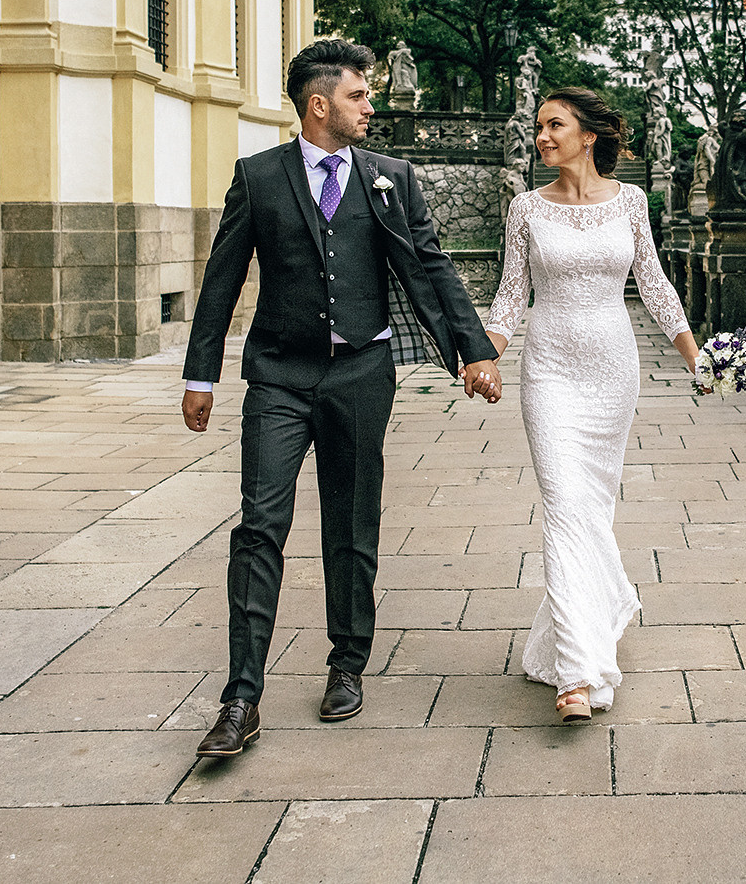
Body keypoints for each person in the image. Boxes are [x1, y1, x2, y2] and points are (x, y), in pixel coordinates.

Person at [180, 39, 504, 758]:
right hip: (278, 376)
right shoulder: (259, 177)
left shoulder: (392, 177)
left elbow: (432, 266)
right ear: (319, 103)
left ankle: (346, 662)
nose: (372, 105)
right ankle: (240, 696)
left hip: (362, 371)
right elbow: (222, 276)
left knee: (351, 521)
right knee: (259, 525)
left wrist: (473, 349)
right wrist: (200, 372)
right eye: (360, 94)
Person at [482, 88, 700, 722]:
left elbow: (655, 285)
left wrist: (697, 357)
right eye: (540, 126)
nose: (542, 135)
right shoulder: (525, 210)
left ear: (588, 135)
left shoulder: (630, 202)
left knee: (592, 508)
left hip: (612, 373)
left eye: (555, 125)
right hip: (548, 371)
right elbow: (508, 300)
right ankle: (578, 673)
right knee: (565, 506)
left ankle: (583, 626)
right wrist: (481, 353)